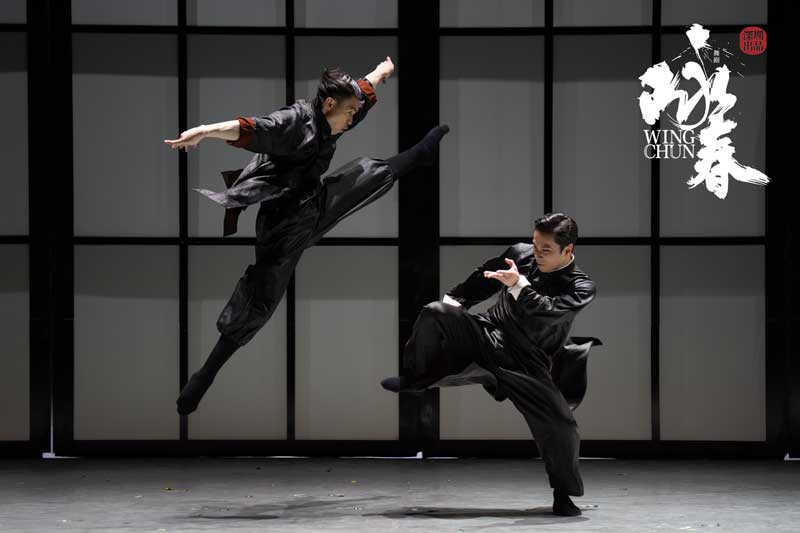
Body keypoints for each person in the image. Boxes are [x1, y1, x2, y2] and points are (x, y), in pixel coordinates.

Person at [164, 57, 450, 415]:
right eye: (348, 111)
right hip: (283, 226)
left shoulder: (337, 113)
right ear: (329, 104)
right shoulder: (295, 124)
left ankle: (420, 154)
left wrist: (382, 72)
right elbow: (251, 128)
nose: (352, 118)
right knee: (260, 300)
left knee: (365, 173)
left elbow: (362, 91)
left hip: (314, 202)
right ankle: (205, 375)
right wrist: (205, 130)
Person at [380, 213, 601, 517]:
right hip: (488, 333)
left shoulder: (581, 286)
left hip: (527, 360)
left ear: (568, 250)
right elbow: (482, 279)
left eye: (546, 249)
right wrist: (455, 304)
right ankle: (416, 377)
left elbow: (546, 312)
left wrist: (519, 286)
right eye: (535, 244)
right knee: (434, 312)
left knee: (561, 427)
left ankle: (563, 494)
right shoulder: (521, 255)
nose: (537, 253)